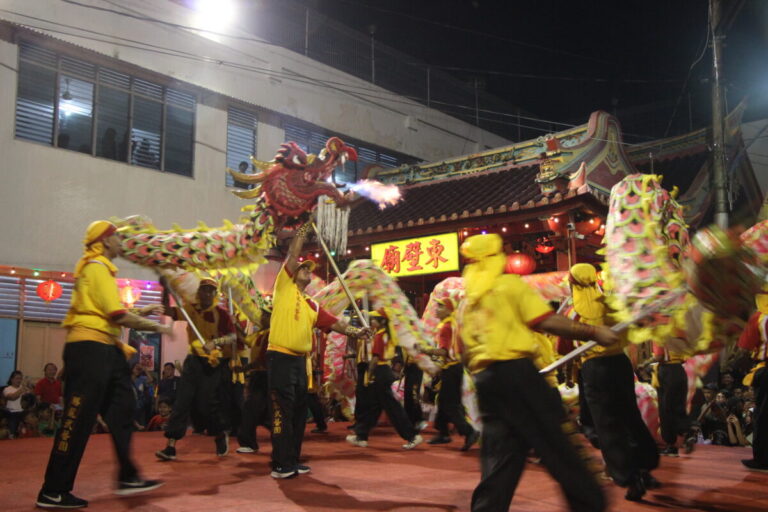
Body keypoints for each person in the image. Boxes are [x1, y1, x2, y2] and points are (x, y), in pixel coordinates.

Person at [458, 235, 613, 512]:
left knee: (501, 456)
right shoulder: (508, 285)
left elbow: (464, 353)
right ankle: (590, 505)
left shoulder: (468, 301)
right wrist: (594, 331)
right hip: (518, 374)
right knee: (558, 443)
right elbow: (547, 321)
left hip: (487, 381)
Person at [37, 220, 170, 509]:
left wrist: (141, 311)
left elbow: (109, 312)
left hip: (106, 351)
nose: (121, 242)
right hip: (89, 351)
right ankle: (53, 489)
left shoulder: (102, 270)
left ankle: (128, 476)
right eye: (117, 237)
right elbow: (115, 314)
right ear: (105, 241)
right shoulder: (96, 267)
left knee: (122, 410)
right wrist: (155, 326)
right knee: (78, 420)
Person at [267, 221, 370, 479]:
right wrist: (302, 233)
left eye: (307, 270)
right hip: (279, 357)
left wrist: (357, 332)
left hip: (300, 364)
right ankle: (280, 464)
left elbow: (335, 322)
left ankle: (292, 459)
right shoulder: (284, 287)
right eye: (302, 268)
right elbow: (292, 256)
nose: (305, 271)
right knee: (284, 410)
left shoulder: (312, 305)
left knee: (301, 412)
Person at [565, 263, 660, 502]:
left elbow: (564, 347)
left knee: (607, 424)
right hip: (620, 363)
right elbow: (631, 334)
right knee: (630, 415)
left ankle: (628, 475)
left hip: (594, 368)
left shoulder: (573, 313)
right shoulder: (611, 304)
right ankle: (645, 464)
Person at [155, 278, 236, 461]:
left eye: (210, 291)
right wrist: (166, 290)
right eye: (204, 290)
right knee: (182, 401)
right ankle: (170, 446)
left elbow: (232, 336)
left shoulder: (220, 314)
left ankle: (219, 434)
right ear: (199, 292)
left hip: (212, 364)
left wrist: (215, 342)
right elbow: (168, 311)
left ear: (215, 294)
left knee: (206, 405)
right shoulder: (190, 309)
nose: (207, 294)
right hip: (193, 361)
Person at [346, 310, 424, 450]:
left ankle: (411, 435)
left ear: (382, 321)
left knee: (392, 408)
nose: (372, 321)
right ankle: (361, 436)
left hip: (380, 372)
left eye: (374, 319)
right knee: (374, 407)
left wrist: (369, 373)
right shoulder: (388, 335)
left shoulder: (380, 335)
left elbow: (375, 358)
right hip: (384, 372)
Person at [421, 296, 479, 451]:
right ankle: (443, 432)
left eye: (440, 307)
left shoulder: (446, 327)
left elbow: (443, 351)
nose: (437, 309)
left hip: (451, 368)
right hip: (455, 367)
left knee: (449, 404)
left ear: (449, 309)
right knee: (445, 401)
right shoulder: (454, 325)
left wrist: (425, 350)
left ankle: (469, 431)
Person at [641, 343, 696, 456]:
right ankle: (687, 434)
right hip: (679, 370)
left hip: (667, 371)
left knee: (666, 409)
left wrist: (645, 363)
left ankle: (672, 444)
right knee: (678, 406)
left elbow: (659, 357)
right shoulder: (677, 332)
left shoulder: (660, 333)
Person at [737, 301, 768, 471]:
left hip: (766, 369)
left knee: (763, 416)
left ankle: (762, 459)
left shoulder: (760, 316)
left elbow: (744, 347)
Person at [236, 309, 272, 453]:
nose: (262, 317)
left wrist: (244, 368)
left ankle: (249, 443)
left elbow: (262, 359)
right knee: (263, 412)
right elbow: (246, 339)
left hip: (264, 376)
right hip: (258, 376)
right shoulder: (260, 333)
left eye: (266, 315)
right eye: (263, 314)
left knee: (250, 409)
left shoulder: (271, 334)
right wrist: (236, 325)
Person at [4, 371, 31, 438]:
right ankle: (12, 435)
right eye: (17, 378)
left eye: (20, 378)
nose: (19, 380)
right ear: (12, 379)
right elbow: (12, 397)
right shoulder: (7, 389)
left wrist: (29, 387)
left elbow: (31, 399)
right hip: (11, 412)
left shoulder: (23, 388)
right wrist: (22, 389)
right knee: (13, 420)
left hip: (23, 412)